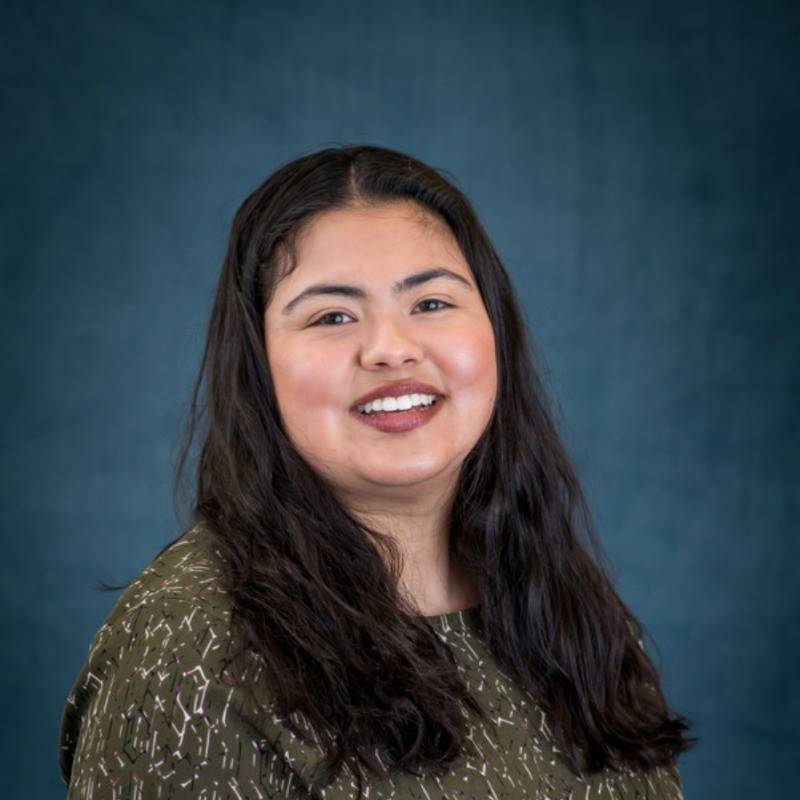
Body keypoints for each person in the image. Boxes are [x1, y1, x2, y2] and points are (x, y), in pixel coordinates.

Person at [59, 144, 696, 799]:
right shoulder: (191, 651)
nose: (392, 348)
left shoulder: (563, 606)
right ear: (259, 367)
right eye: (331, 316)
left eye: (431, 304)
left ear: (495, 330)